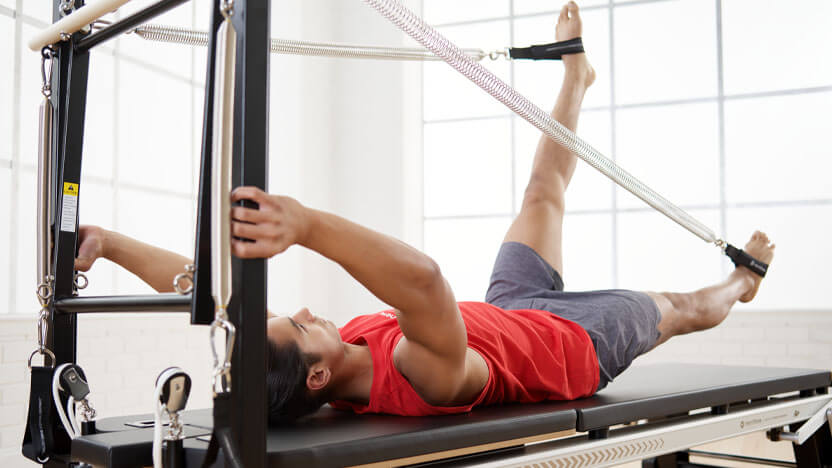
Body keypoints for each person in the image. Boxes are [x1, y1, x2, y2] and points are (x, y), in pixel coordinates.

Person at [74, 2, 775, 424]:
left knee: (541, 191)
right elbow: (426, 282)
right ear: (317, 377)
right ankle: (743, 282)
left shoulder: (325, 352)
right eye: (301, 324)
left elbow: (201, 287)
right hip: (574, 343)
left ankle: (575, 77)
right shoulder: (418, 376)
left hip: (509, 307)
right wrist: (307, 225)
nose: (311, 310)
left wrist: (109, 243)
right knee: (682, 305)